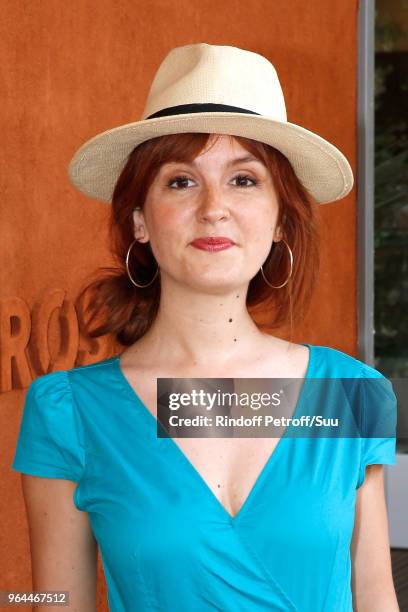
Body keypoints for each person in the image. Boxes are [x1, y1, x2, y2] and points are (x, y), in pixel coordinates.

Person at [12, 43, 399, 611]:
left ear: (280, 220)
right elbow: (51, 601)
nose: (214, 207)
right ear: (140, 220)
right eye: (180, 181)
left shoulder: (350, 394)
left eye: (244, 180)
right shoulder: (68, 411)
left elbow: (374, 595)